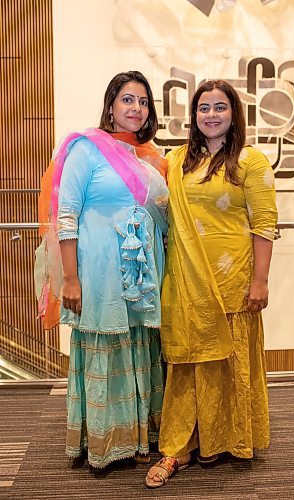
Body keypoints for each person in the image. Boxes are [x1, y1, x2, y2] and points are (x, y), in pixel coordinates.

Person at [146, 79, 278, 487]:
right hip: (186, 281)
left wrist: (260, 281)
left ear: (234, 114)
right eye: (204, 108)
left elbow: (264, 224)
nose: (211, 115)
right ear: (194, 115)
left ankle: (228, 439)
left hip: (232, 278)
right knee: (187, 364)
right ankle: (178, 446)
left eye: (220, 107)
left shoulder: (251, 162)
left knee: (229, 360)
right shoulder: (177, 159)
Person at [35, 71, 169, 468]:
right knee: (105, 348)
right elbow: (67, 215)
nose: (136, 108)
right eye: (128, 99)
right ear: (110, 105)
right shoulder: (86, 149)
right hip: (99, 274)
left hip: (141, 275)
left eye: (143, 102)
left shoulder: (150, 156)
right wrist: (71, 278)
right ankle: (106, 444)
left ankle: (143, 437)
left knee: (140, 347)